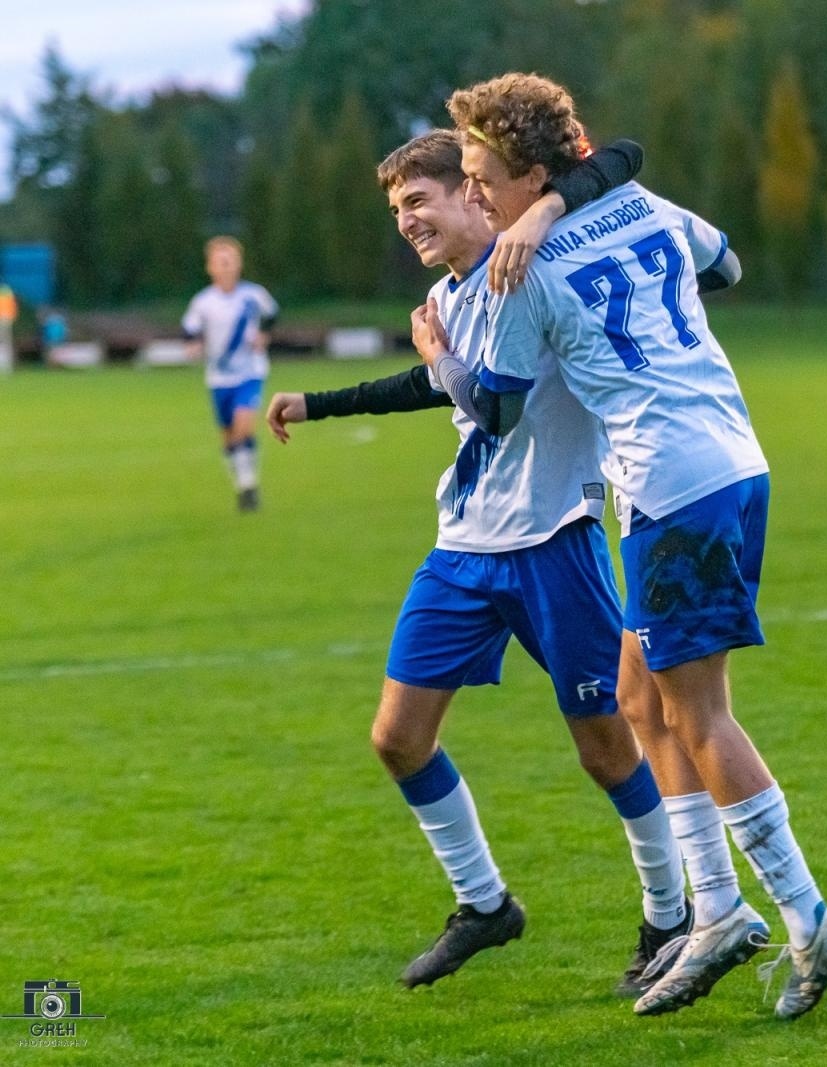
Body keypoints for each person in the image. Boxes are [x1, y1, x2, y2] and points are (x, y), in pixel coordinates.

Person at [424, 72, 827, 1021]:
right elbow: (728, 268)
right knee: (638, 698)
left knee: (700, 716)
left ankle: (806, 914)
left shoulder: (520, 269)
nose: (472, 197)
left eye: (481, 178)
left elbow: (493, 406)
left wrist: (437, 354)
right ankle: (715, 914)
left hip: (673, 483)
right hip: (732, 459)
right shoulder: (646, 204)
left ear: (529, 175)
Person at [264, 132, 700, 996]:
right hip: (463, 546)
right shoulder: (448, 295)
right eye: (396, 211)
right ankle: (485, 905)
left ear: (473, 194)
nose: (407, 221)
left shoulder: (529, 270)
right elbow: (437, 387)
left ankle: (671, 912)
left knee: (607, 747)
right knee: (397, 737)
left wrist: (539, 215)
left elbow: (490, 404)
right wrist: (317, 403)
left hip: (556, 540)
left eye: (418, 201)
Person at [182, 237, 278, 512]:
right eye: (219, 261)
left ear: (239, 264)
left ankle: (249, 486)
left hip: (250, 372)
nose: (225, 266)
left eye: (230, 260)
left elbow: (271, 315)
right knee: (228, 437)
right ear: (210, 267)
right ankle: (242, 483)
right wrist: (193, 346)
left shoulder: (253, 295)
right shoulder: (203, 302)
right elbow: (190, 330)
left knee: (244, 426)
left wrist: (263, 335)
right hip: (218, 377)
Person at [0, 282, 16, 373]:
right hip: (7, 320)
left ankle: (5, 365)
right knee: (5, 343)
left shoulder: (7, 293)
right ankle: (6, 366)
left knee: (5, 342)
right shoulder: (8, 293)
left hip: (5, 320)